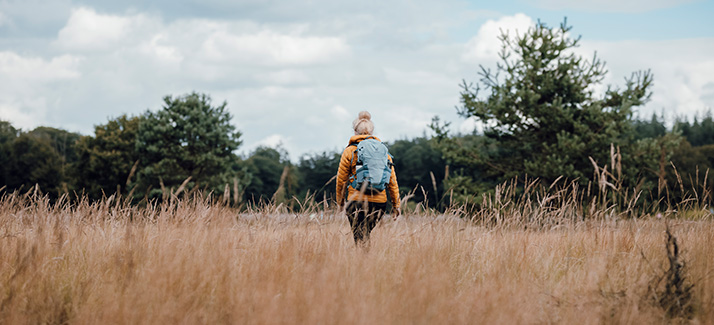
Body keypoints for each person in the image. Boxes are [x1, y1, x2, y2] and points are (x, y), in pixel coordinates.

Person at [336, 111, 400, 245]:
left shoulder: (349, 151)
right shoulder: (383, 152)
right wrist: (396, 205)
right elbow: (392, 181)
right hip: (379, 203)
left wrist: (340, 202)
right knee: (364, 235)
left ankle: (363, 263)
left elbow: (341, 180)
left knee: (360, 237)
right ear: (372, 131)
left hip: (356, 201)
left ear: (355, 131)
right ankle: (367, 262)